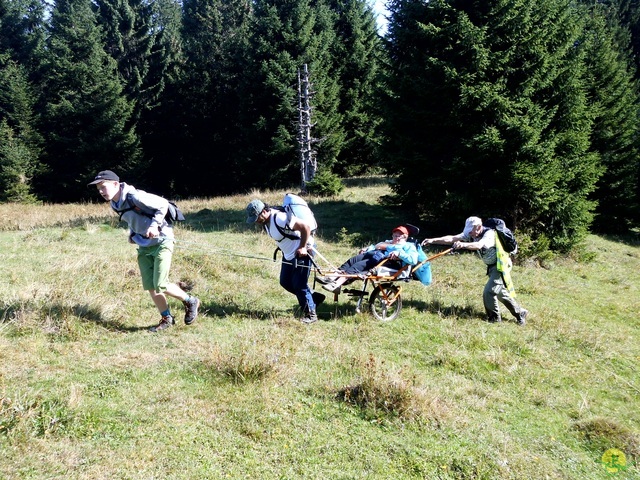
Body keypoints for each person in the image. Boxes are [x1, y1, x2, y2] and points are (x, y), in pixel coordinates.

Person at [88, 170, 200, 332]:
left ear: (114, 184)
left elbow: (162, 204)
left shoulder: (135, 196)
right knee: (151, 286)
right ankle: (166, 318)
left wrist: (154, 226)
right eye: (98, 188)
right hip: (144, 246)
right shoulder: (114, 203)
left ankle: (190, 301)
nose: (100, 191)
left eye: (103, 187)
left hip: (162, 241)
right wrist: (133, 234)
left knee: (161, 283)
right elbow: (133, 218)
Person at [422, 216, 528, 325]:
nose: (470, 234)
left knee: (489, 292)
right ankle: (521, 313)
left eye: (471, 232)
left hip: (501, 265)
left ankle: (494, 318)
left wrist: (463, 245)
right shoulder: (472, 233)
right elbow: (452, 238)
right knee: (501, 293)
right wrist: (433, 240)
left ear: (478, 227)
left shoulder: (489, 234)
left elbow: (479, 245)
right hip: (492, 267)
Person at [245, 199, 325, 324]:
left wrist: (303, 247)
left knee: (299, 285)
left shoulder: (280, 218)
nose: (256, 221)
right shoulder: (266, 222)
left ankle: (311, 315)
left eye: (257, 217)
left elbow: (305, 227)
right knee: (285, 282)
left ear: (265, 211)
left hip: (302, 253)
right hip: (288, 255)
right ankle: (314, 298)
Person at [319, 226, 419, 293]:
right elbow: (376, 246)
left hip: (388, 263)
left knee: (360, 265)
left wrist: (399, 253)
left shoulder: (408, 246)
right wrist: (367, 249)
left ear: (405, 237)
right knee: (354, 260)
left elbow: (413, 260)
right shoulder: (388, 242)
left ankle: (337, 283)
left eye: (399, 236)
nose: (396, 238)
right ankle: (333, 276)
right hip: (375, 255)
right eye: (395, 235)